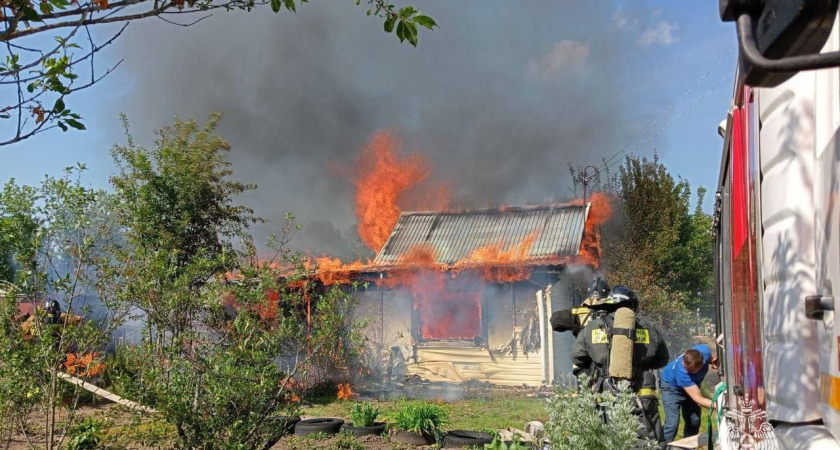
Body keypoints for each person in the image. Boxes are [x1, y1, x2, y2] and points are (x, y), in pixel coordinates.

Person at [571, 285, 670, 443]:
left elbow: (577, 358)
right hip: (643, 393)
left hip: (607, 392)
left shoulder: (592, 327)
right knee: (649, 440)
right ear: (632, 304)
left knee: (611, 440)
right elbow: (662, 358)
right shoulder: (647, 327)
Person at [660, 343, 718, 443]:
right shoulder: (682, 373)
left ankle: (687, 446)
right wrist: (722, 405)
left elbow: (710, 358)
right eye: (685, 366)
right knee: (672, 423)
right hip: (671, 388)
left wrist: (712, 361)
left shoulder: (704, 351)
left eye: (690, 369)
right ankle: (663, 447)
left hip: (692, 386)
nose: (686, 370)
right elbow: (699, 400)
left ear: (701, 364)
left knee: (694, 421)